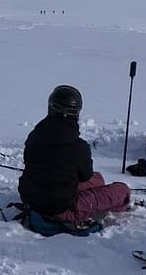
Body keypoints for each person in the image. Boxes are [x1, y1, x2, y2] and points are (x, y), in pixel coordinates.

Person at [20, 85, 130, 223]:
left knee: (97, 179)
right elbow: (85, 175)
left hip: (31, 198)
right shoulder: (79, 147)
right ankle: (120, 205)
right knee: (122, 190)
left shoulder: (35, 135)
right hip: (61, 210)